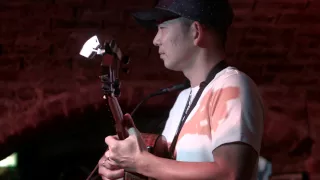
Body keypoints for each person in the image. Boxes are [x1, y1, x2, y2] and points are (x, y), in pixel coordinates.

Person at [98, 0, 265, 179]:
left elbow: (230, 174)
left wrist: (140, 162)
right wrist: (123, 167)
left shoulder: (231, 85)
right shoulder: (183, 98)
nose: (155, 41)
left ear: (195, 31)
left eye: (162, 28)